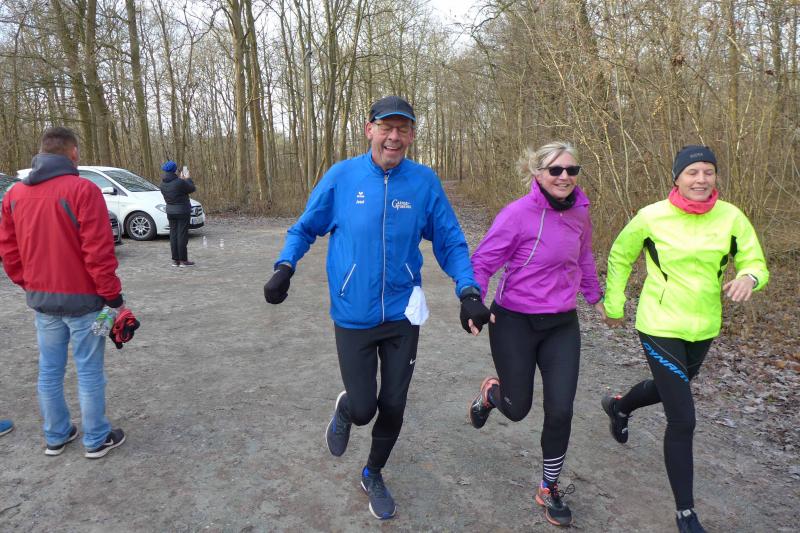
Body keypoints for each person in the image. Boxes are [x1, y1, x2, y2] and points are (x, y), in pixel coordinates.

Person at [263, 95, 490, 520]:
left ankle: (374, 472)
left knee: (395, 404)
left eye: (403, 129)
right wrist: (285, 267)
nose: (394, 137)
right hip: (354, 313)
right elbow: (304, 228)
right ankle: (348, 407)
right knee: (366, 407)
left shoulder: (423, 182)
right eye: (386, 127)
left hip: (403, 315)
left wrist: (468, 292)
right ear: (369, 130)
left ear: (412, 135)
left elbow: (451, 241)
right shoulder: (342, 177)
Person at [600, 145, 769, 533]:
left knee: (671, 386)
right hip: (659, 323)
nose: (701, 179)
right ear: (676, 177)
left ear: (716, 177)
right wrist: (614, 304)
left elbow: (756, 262)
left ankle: (620, 406)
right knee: (683, 418)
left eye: (708, 171)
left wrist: (749, 277)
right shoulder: (651, 216)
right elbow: (620, 256)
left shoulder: (732, 217)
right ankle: (686, 513)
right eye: (692, 172)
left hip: (704, 325)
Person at [466, 142, 605, 527]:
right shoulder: (517, 215)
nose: (564, 177)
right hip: (514, 321)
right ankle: (491, 394)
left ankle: (549, 487)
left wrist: (595, 297)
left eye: (572, 170)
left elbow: (584, 256)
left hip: (561, 324)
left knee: (561, 409)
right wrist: (473, 299)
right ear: (537, 173)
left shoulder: (580, 212)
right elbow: (483, 261)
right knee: (517, 408)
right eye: (555, 170)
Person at [0, 126, 128, 459]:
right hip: (85, 301)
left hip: (43, 301)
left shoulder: (14, 194)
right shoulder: (83, 190)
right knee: (89, 371)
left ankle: (56, 436)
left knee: (49, 370)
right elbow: (98, 251)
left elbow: (9, 250)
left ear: (42, 152)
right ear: (73, 153)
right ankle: (95, 438)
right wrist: (112, 297)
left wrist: (29, 284)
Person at [159, 160, 196, 267]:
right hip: (182, 211)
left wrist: (182, 180)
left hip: (170, 211)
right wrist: (187, 178)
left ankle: (175, 260)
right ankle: (183, 260)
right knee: (182, 235)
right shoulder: (179, 182)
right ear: (175, 170)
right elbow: (192, 188)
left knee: (173, 235)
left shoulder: (162, 184)